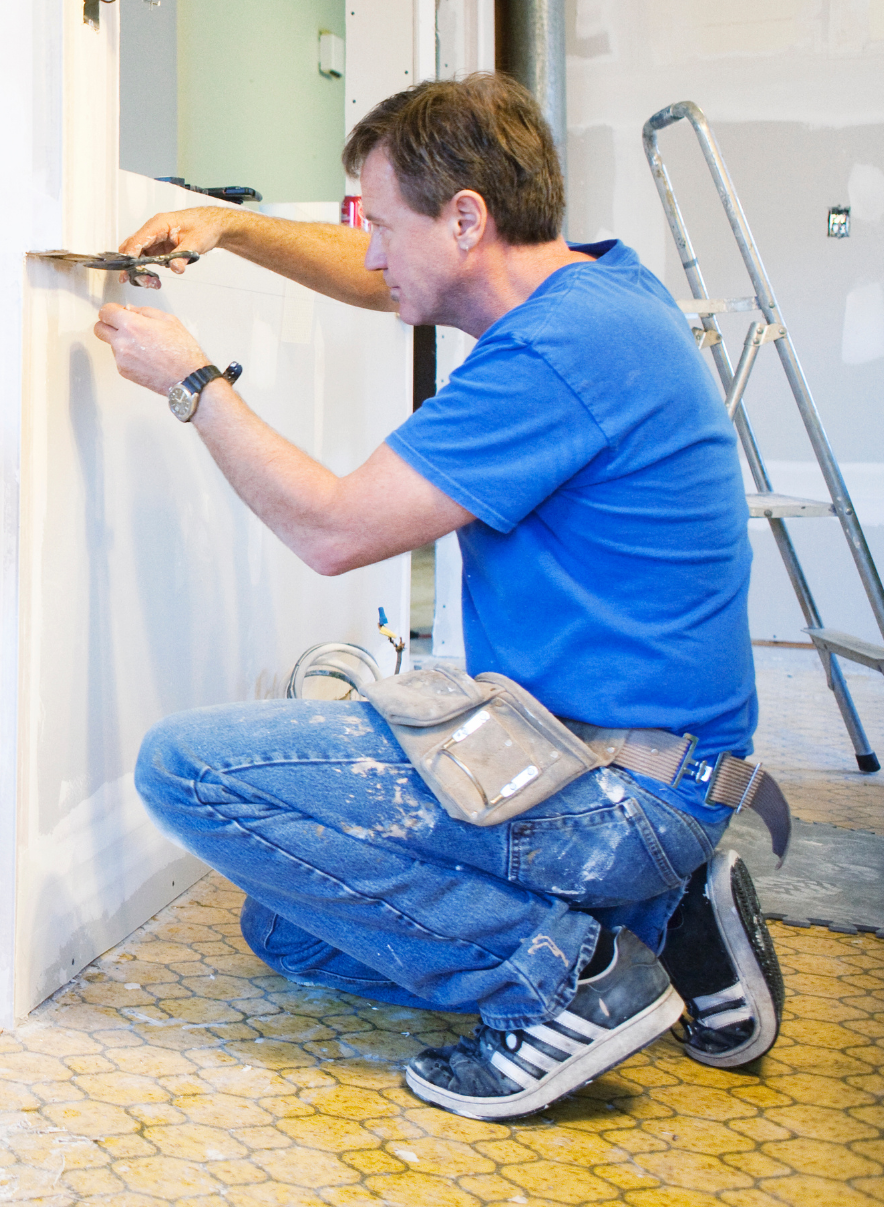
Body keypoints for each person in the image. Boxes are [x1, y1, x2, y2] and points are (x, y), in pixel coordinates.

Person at [92, 73, 784, 1121]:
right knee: (285, 929)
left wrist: (193, 380)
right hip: (623, 754)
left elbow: (331, 531)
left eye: (382, 223)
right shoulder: (594, 290)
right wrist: (232, 227)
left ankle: (572, 978)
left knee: (184, 771)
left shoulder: (557, 353)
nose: (369, 251)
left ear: (467, 218)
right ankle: (661, 924)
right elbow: (395, 280)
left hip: (611, 782)